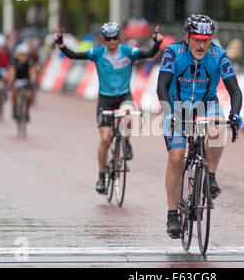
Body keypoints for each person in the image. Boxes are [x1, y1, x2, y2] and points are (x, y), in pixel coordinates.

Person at [156, 14, 243, 238]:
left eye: (206, 39)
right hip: (176, 107)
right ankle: (172, 214)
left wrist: (235, 113)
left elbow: (235, 90)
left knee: (219, 129)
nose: (202, 45)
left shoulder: (219, 56)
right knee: (176, 159)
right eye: (197, 39)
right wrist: (168, 113)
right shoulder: (173, 53)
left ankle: (210, 177)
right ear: (187, 37)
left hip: (206, 105)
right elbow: (162, 86)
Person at [53, 22, 164, 194]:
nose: (112, 41)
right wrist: (61, 43)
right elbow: (74, 55)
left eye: (115, 38)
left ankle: (126, 142)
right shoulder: (97, 53)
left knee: (130, 115)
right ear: (103, 39)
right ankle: (101, 176)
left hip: (124, 96)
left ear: (119, 38)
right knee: (105, 139)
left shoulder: (127, 52)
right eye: (108, 39)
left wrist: (156, 43)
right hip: (105, 98)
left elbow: (149, 54)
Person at [8, 43, 37, 121]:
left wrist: (33, 82)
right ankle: (14, 108)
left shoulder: (30, 62)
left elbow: (33, 73)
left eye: (24, 55)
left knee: (29, 95)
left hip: (26, 80)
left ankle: (27, 110)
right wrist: (11, 81)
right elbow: (11, 72)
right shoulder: (14, 61)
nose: (23, 57)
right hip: (17, 79)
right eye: (21, 55)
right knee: (14, 90)